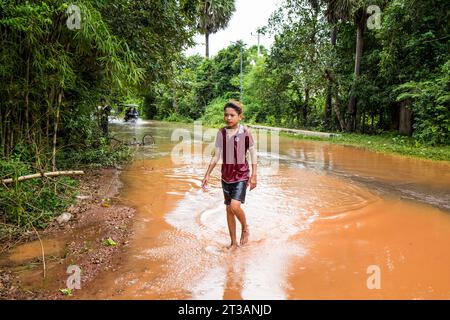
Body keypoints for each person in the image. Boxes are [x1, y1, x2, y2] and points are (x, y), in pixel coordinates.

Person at [201, 100, 257, 249]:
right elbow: (216, 155)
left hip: (241, 175)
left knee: (234, 206)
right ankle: (233, 243)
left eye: (232, 115)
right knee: (228, 209)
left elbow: (253, 153)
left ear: (240, 116)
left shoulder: (245, 132)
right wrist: (207, 174)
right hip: (226, 176)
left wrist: (254, 175)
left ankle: (245, 227)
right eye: (226, 115)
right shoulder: (221, 133)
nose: (228, 118)